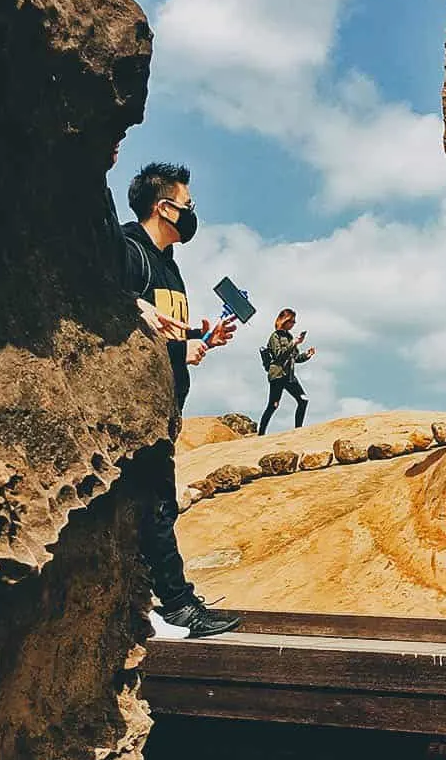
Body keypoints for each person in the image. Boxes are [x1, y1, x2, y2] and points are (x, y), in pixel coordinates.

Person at [106, 157, 241, 640]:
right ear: (164, 207)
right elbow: (101, 301)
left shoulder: (169, 267)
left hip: (165, 405)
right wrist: (135, 304)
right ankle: (179, 606)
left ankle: (155, 603)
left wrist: (200, 342)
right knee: (157, 505)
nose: (192, 212)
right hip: (130, 411)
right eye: (188, 204)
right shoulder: (125, 249)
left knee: (151, 506)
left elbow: (166, 341)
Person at [258, 309, 316, 435]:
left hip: (289, 376)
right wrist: (293, 343)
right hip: (277, 375)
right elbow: (279, 355)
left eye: (294, 322)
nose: (294, 324)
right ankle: (261, 434)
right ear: (285, 321)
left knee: (303, 400)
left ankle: (298, 431)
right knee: (273, 405)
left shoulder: (289, 337)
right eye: (292, 321)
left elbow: (295, 358)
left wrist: (307, 355)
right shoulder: (275, 336)